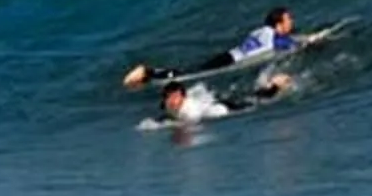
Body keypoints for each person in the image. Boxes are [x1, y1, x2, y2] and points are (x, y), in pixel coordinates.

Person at [121, 7, 318, 90]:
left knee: (192, 72)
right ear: (279, 23)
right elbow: (288, 44)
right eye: (288, 18)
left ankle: (149, 75)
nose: (292, 21)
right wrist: (311, 42)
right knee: (187, 76)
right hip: (232, 60)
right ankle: (149, 73)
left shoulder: (261, 31)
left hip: (228, 56)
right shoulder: (275, 36)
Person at [152, 74, 292, 127]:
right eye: (167, 96)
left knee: (256, 102)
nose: (169, 100)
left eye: (172, 96)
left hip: (222, 109)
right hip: (212, 102)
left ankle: (275, 85)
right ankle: (267, 86)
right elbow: (165, 112)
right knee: (250, 96)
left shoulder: (190, 112)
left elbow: (189, 124)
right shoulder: (167, 104)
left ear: (182, 97)